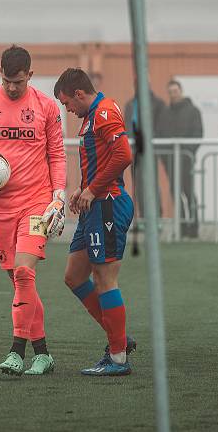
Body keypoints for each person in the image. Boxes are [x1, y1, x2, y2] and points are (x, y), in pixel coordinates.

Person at [0, 45, 66, 376]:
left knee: (23, 273)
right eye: (6, 81)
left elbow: (58, 155)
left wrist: (57, 196)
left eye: (18, 81)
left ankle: (16, 352)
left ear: (30, 75)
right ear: (0, 73)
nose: (12, 87)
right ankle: (43, 353)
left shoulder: (47, 107)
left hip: (36, 202)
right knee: (20, 283)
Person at [54, 68, 137, 376]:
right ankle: (120, 339)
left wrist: (91, 189)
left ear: (79, 94)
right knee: (74, 276)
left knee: (104, 280)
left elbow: (123, 156)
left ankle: (117, 358)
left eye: (67, 103)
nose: (68, 110)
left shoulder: (104, 112)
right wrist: (81, 190)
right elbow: (103, 159)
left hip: (108, 206)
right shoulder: (91, 116)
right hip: (94, 205)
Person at [162, 79, 203, 238]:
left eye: (175, 91)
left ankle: (193, 228)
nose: (173, 94)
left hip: (186, 161)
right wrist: (166, 158)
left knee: (189, 193)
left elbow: (198, 133)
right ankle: (181, 227)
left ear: (181, 91)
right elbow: (161, 134)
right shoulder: (166, 113)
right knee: (176, 194)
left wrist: (188, 153)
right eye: (170, 92)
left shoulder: (193, 111)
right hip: (171, 162)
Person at [123, 86, 165, 222]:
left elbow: (160, 125)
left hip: (149, 150)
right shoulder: (130, 104)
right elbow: (126, 124)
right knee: (138, 183)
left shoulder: (157, 104)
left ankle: (156, 216)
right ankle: (142, 217)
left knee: (151, 182)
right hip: (134, 150)